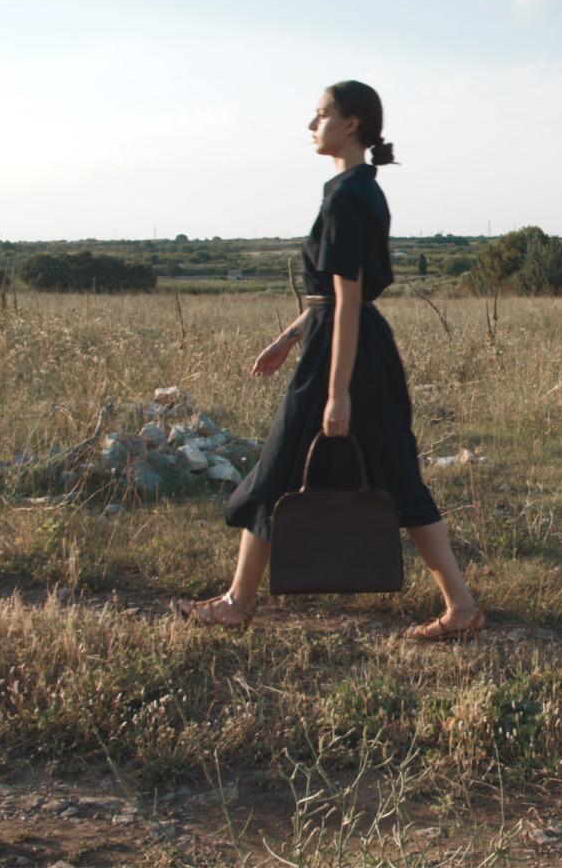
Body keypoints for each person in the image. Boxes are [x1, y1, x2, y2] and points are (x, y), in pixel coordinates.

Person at [177, 81, 484, 640]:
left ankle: (237, 603)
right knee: (385, 473)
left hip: (343, 358)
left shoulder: (347, 196)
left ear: (351, 124)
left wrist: (337, 392)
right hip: (350, 345)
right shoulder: (357, 188)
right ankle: (460, 607)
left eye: (320, 115)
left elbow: (346, 299)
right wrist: (288, 337)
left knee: (281, 469)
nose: (311, 124)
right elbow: (338, 301)